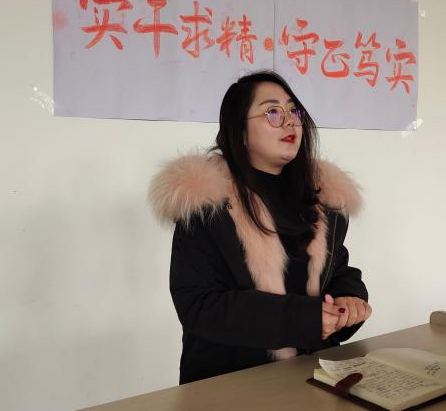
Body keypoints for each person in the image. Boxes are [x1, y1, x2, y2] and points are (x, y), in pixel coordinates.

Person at [149, 70, 371, 384]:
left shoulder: (320, 202)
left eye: (293, 111)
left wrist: (348, 297)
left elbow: (337, 270)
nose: (290, 121)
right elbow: (200, 306)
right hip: (229, 386)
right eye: (272, 112)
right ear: (240, 131)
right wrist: (301, 319)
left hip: (310, 378)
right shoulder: (207, 205)